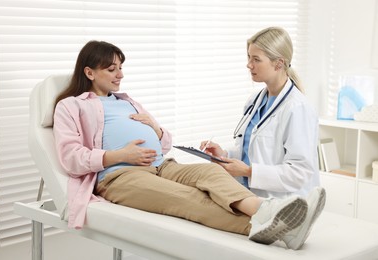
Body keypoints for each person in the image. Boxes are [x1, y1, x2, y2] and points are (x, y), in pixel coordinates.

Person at [53, 40, 320, 249]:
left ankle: (266, 211)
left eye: (121, 68)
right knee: (191, 198)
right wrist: (119, 155)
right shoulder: (71, 106)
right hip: (120, 176)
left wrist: (156, 129)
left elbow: (165, 143)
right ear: (89, 72)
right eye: (112, 69)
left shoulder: (126, 101)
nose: (120, 74)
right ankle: (274, 225)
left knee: (212, 172)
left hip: (162, 165)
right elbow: (71, 157)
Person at [200, 27, 326, 249]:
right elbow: (250, 148)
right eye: (249, 57)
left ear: (279, 63)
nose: (249, 65)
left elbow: (301, 172)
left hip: (285, 207)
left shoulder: (297, 108)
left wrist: (249, 171)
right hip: (253, 200)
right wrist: (225, 154)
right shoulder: (256, 100)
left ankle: (292, 230)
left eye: (256, 59)